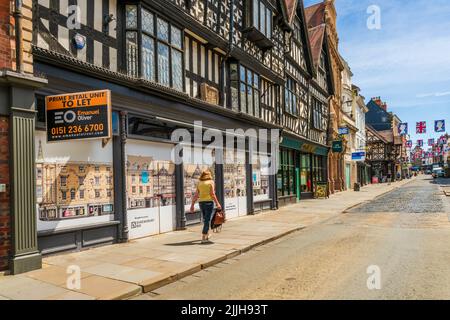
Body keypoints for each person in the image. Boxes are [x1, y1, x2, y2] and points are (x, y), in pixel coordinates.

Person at [190, 170, 222, 243]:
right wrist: (217, 203)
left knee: (206, 219)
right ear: (209, 175)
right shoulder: (211, 182)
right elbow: (212, 194)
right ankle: (204, 237)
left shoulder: (199, 183)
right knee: (207, 220)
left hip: (201, 203)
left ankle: (206, 234)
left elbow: (196, 195)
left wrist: (192, 205)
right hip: (209, 203)